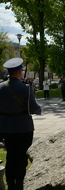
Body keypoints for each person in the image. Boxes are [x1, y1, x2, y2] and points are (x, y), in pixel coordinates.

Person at [0, 58, 41, 190]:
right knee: (22, 156)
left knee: (11, 155)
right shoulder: (26, 88)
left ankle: (10, 182)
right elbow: (34, 108)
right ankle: (20, 182)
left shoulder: (0, 87)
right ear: (19, 72)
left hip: (5, 127)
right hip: (24, 127)